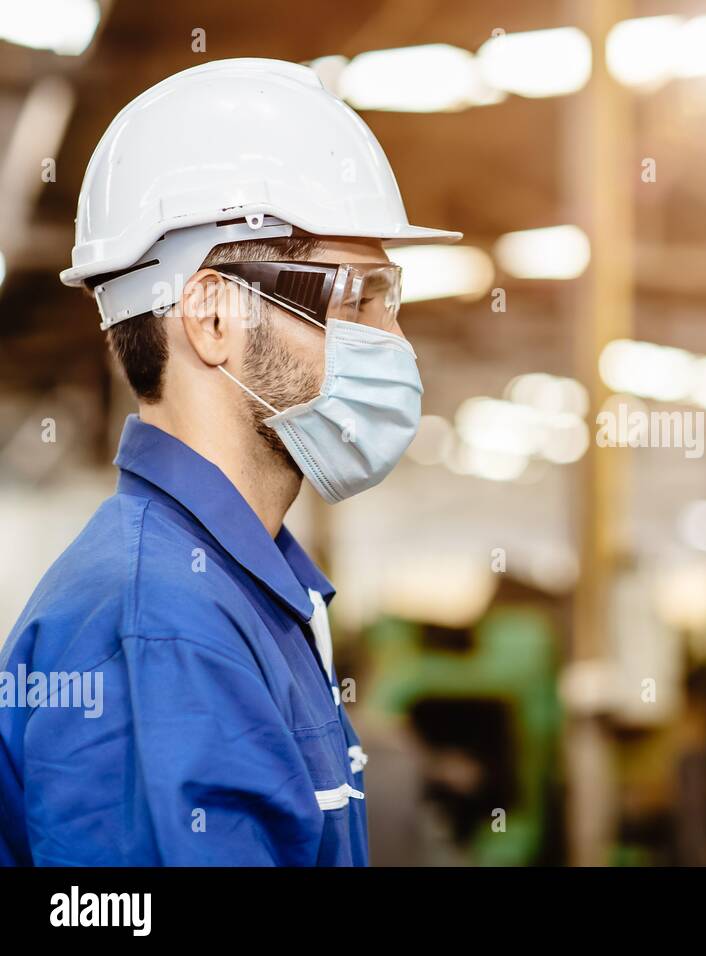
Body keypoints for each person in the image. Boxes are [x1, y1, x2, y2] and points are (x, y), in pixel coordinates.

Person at [0, 58, 460, 865]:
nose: (394, 344)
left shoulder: (237, 592)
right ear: (214, 315)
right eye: (356, 299)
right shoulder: (162, 626)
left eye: (392, 302)